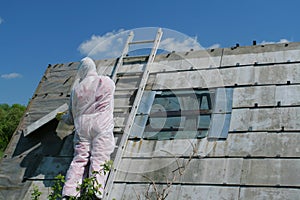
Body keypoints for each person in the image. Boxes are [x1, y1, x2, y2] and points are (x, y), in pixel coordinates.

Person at [57, 57, 115, 199]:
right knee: (100, 157)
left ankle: (70, 193)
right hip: (101, 123)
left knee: (79, 159)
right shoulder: (105, 81)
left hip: (82, 126)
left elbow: (71, 118)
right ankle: (95, 191)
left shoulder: (76, 90)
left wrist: (61, 118)